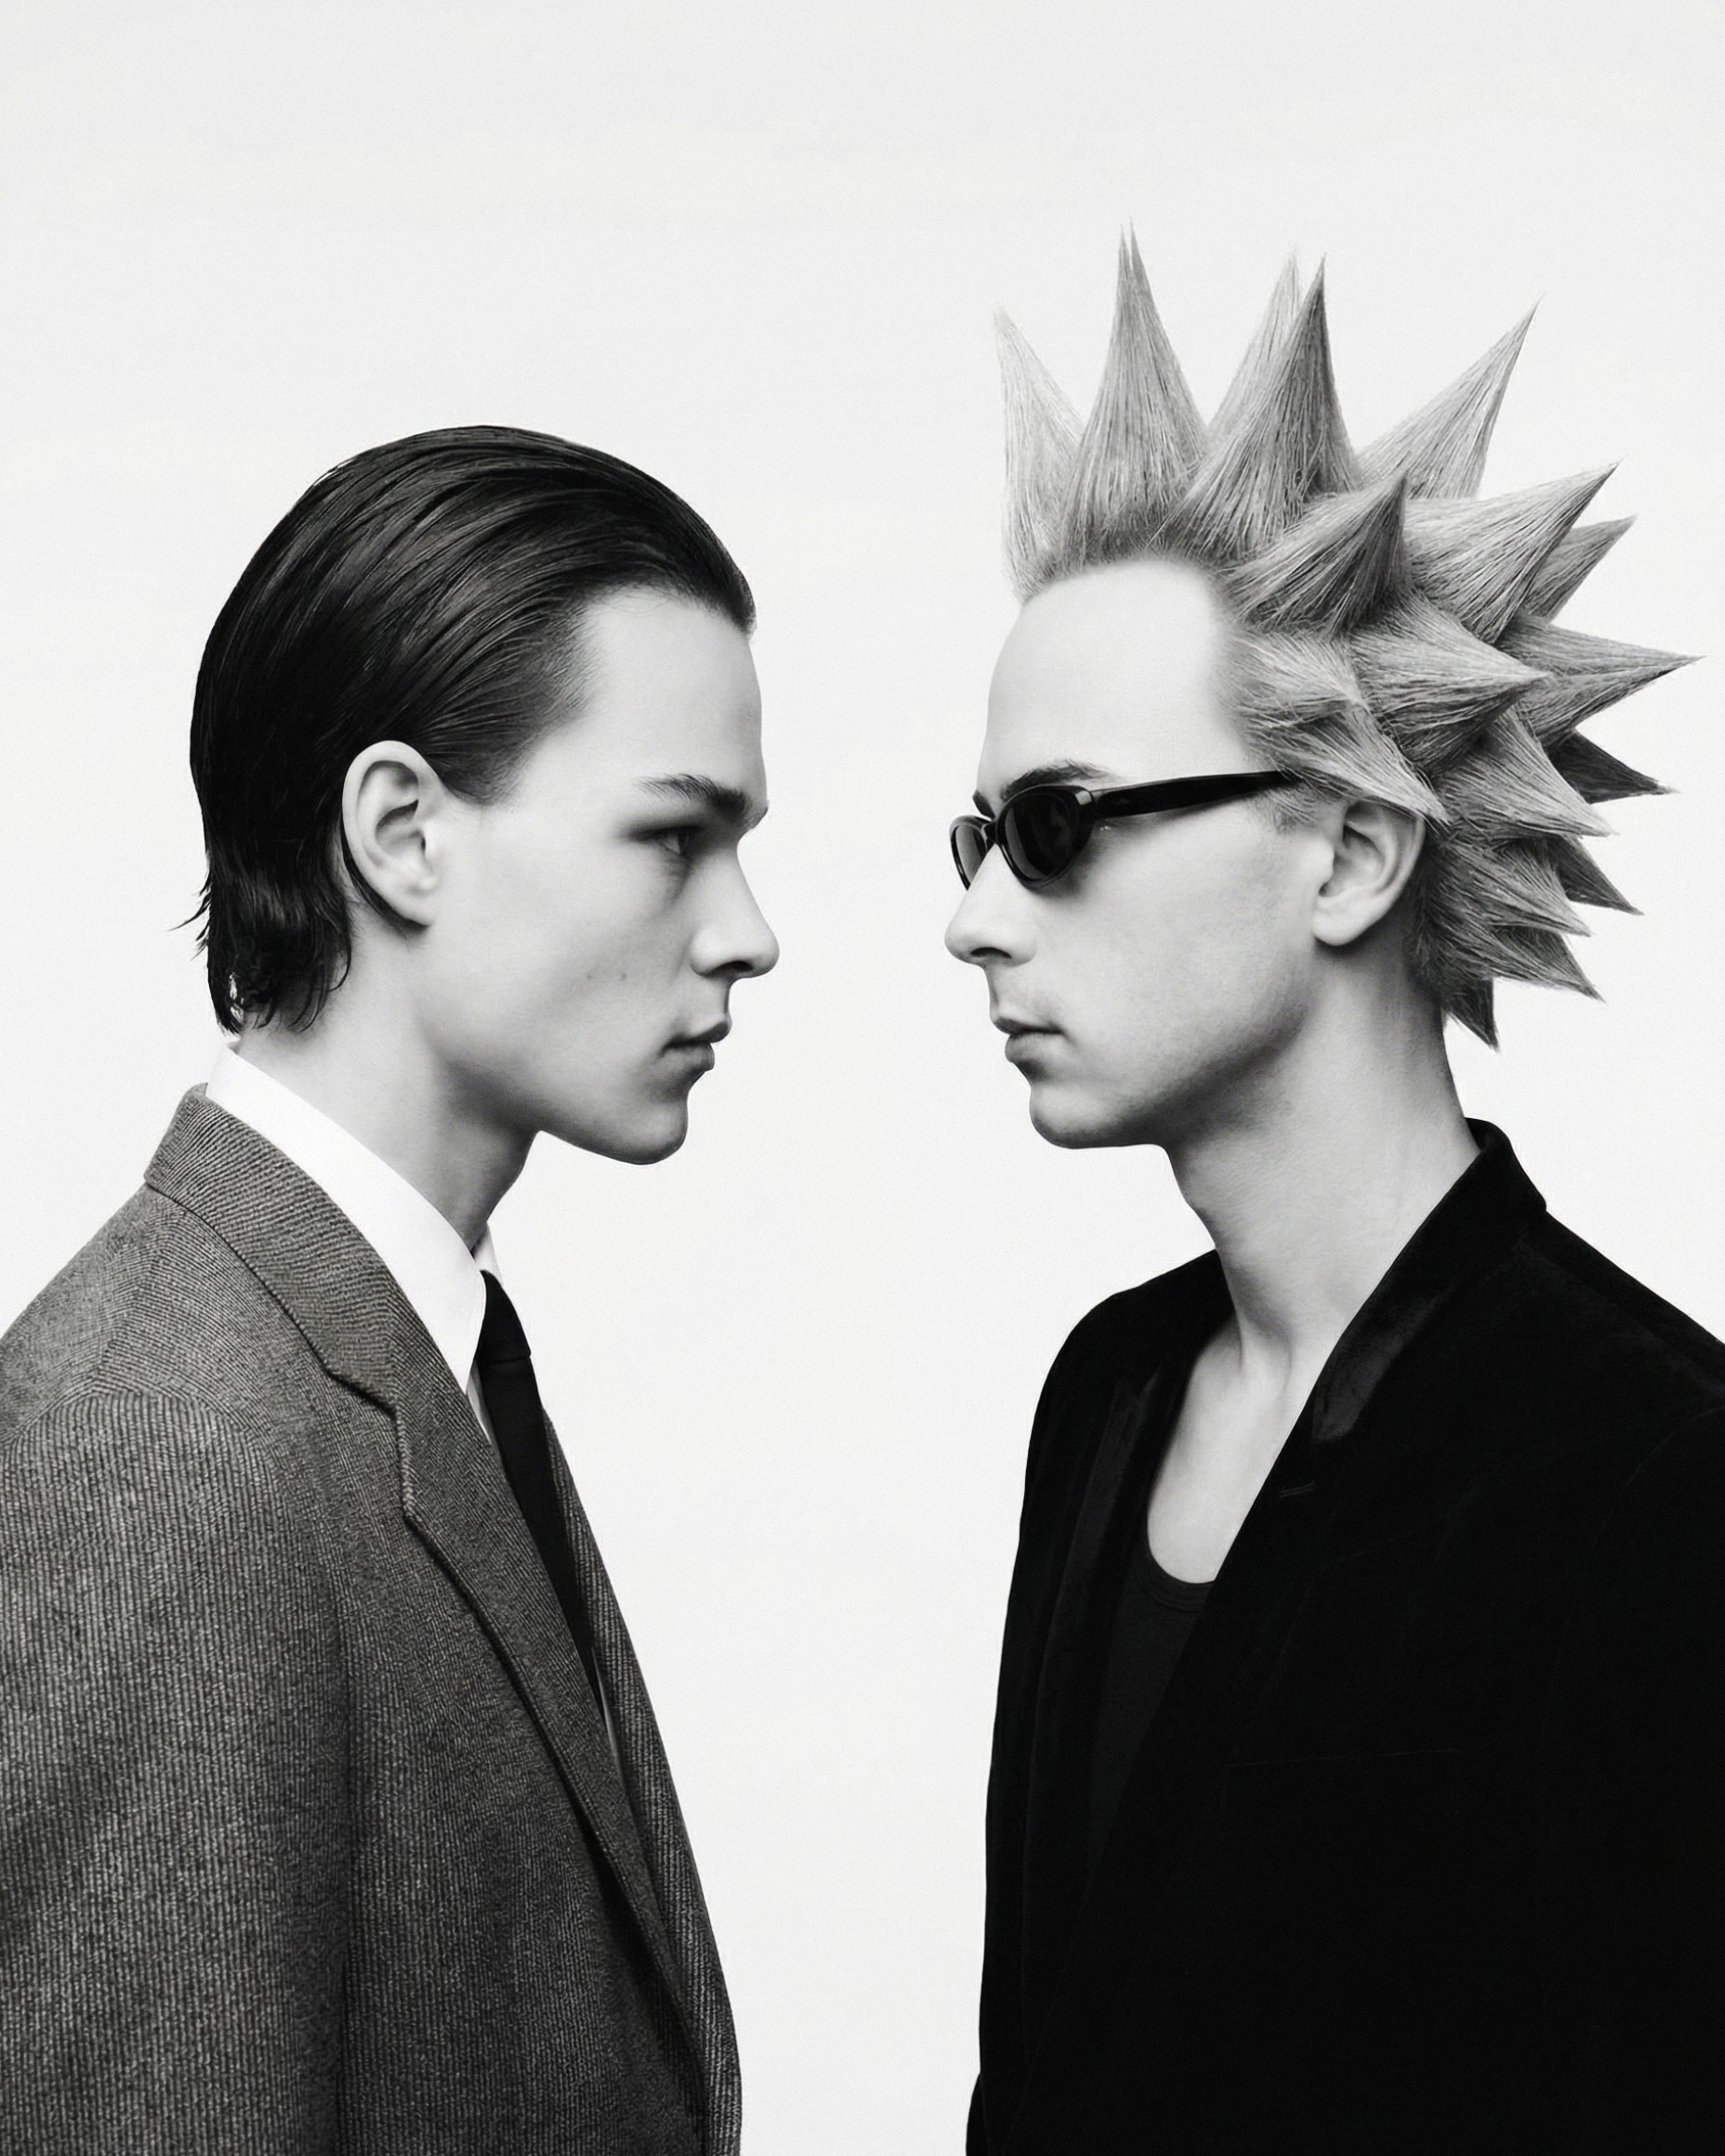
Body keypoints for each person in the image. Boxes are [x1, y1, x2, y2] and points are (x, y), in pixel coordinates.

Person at [946, 242, 1721, 2151]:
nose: (974, 921)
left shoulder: (1652, 1481)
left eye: (1055, 827)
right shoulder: (1107, 1392)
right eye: (978, 840)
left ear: (1355, 852)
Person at [0, 427, 778, 2153]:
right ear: (404, 832)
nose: (748, 930)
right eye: (675, 836)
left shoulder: (400, 1353)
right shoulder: (158, 1453)